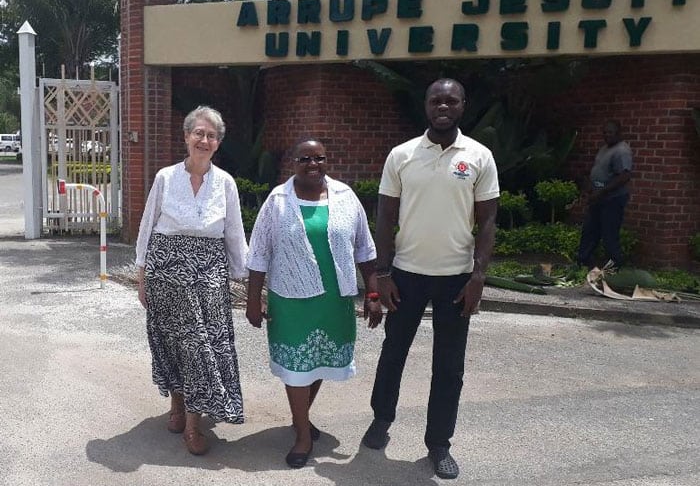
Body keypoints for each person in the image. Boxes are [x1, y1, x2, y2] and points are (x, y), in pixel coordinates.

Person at [361, 78, 500, 480]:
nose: (443, 105)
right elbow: (385, 216)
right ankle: (381, 418)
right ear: (426, 105)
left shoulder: (479, 156)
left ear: (462, 105)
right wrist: (382, 273)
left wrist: (478, 276)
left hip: (456, 279)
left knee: (449, 366)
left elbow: (488, 220)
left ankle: (439, 444)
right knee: (394, 352)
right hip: (406, 274)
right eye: (436, 99)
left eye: (451, 100)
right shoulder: (402, 155)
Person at [245, 139, 381, 469]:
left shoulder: (346, 197)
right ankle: (303, 435)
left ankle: (300, 417)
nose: (313, 164)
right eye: (305, 158)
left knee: (319, 362)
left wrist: (373, 295)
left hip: (335, 299)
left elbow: (365, 249)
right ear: (293, 163)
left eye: (319, 158)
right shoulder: (277, 201)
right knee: (296, 368)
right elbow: (259, 253)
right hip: (291, 299)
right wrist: (253, 300)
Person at [135, 106, 248, 456]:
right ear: (186, 137)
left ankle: (194, 425)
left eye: (211, 135)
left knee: (202, 347)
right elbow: (147, 223)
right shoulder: (166, 177)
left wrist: (247, 280)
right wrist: (142, 274)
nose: (204, 139)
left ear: (217, 143)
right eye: (198, 133)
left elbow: (234, 233)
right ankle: (177, 405)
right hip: (166, 272)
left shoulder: (226, 182)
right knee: (172, 343)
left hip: (207, 275)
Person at [576, 120, 633, 269]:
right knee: (589, 230)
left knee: (609, 234)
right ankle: (583, 262)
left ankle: (615, 267)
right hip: (598, 198)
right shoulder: (604, 148)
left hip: (612, 199)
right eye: (605, 132)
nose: (607, 135)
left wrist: (601, 192)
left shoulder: (622, 151)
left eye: (611, 132)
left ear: (619, 133)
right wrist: (590, 186)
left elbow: (624, 176)